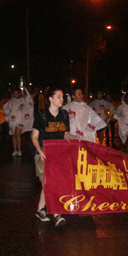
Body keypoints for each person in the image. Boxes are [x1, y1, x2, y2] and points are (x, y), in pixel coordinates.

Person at [32, 86, 77, 228]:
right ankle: (57, 214)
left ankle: (40, 210)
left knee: (49, 183)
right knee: (51, 182)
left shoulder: (64, 115)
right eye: (58, 96)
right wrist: (39, 151)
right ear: (50, 99)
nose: (61, 99)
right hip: (43, 153)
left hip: (58, 154)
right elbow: (34, 136)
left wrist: (75, 138)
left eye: (62, 97)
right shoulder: (41, 115)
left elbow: (65, 133)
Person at [4, 87, 34, 156]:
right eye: (14, 93)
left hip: (20, 120)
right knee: (13, 135)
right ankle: (15, 149)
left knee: (18, 133)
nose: (15, 95)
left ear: (19, 93)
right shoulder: (11, 101)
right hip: (13, 120)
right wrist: (6, 116)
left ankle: (19, 150)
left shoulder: (23, 100)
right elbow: (6, 109)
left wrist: (26, 89)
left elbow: (29, 99)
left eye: (17, 93)